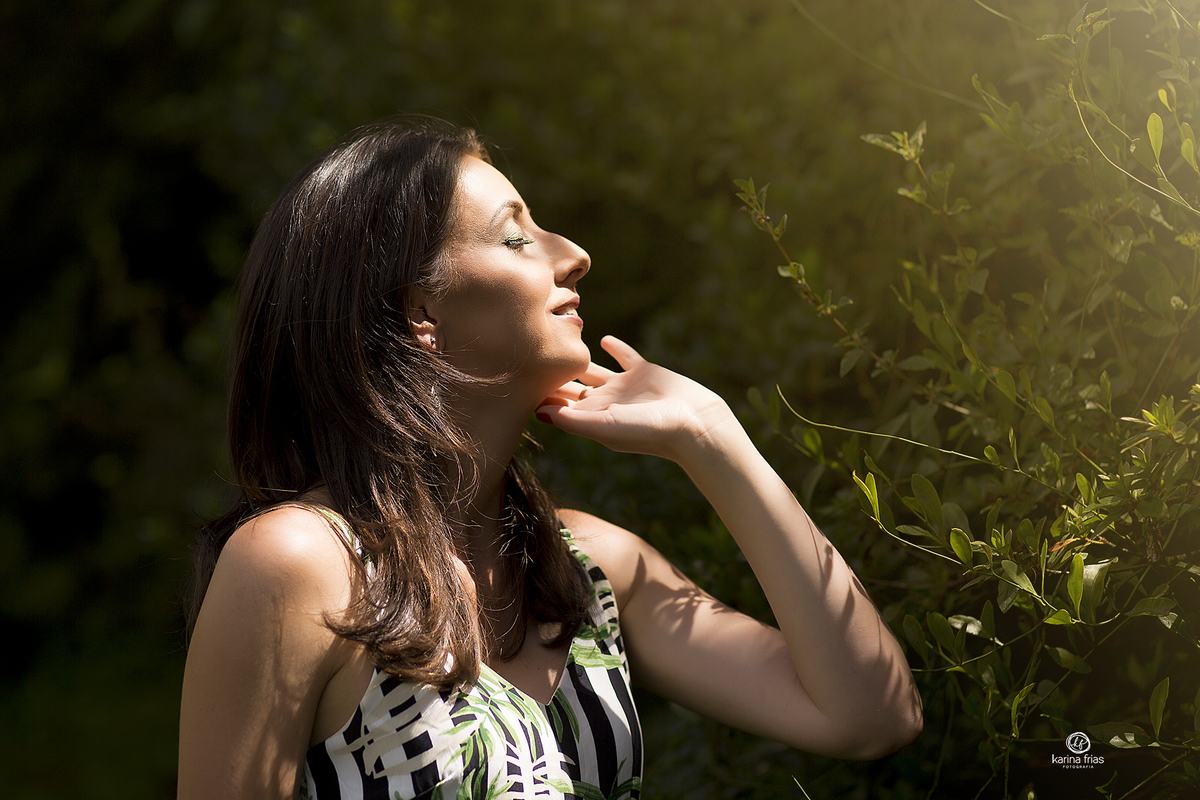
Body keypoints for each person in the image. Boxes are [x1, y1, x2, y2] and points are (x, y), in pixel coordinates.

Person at [178, 120, 922, 799]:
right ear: (421, 312)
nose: (574, 255)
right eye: (515, 237)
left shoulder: (589, 569)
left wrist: (713, 436)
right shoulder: (300, 566)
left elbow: (871, 714)